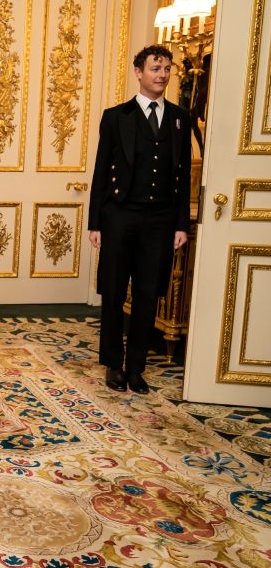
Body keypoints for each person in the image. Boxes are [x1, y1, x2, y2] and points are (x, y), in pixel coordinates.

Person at [88, 45, 192, 394]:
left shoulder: (180, 118)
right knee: (115, 292)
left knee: (149, 294)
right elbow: (101, 172)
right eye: (155, 68)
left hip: (160, 220)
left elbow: (182, 178)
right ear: (139, 72)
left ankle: (136, 368)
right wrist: (95, 223)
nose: (161, 75)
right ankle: (113, 365)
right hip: (120, 215)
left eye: (166, 69)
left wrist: (180, 224)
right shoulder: (117, 117)